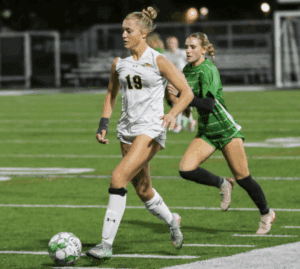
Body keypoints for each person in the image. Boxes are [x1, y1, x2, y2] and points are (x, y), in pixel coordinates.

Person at [86, 7, 194, 260]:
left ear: (143, 33)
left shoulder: (158, 60)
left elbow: (186, 92)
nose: (123, 35)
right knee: (144, 190)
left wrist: (172, 114)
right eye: (122, 30)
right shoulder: (119, 63)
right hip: (126, 131)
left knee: (118, 177)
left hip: (151, 129)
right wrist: (103, 124)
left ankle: (105, 245)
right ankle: (173, 220)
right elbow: (111, 95)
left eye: (128, 30)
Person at [167, 32, 275, 235]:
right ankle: (223, 183)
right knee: (186, 169)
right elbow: (187, 106)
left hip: (225, 130)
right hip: (207, 131)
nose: (188, 50)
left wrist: (183, 97)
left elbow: (207, 104)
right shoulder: (186, 70)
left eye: (193, 47)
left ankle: (266, 213)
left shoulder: (208, 69)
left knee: (243, 177)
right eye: (187, 46)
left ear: (204, 50)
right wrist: (171, 97)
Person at [164, 36, 196, 133]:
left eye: (174, 43)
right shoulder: (165, 55)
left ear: (177, 44)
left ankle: (178, 124)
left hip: (185, 80)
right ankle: (190, 121)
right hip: (172, 81)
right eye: (170, 43)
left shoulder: (182, 53)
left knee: (181, 102)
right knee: (178, 102)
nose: (172, 45)